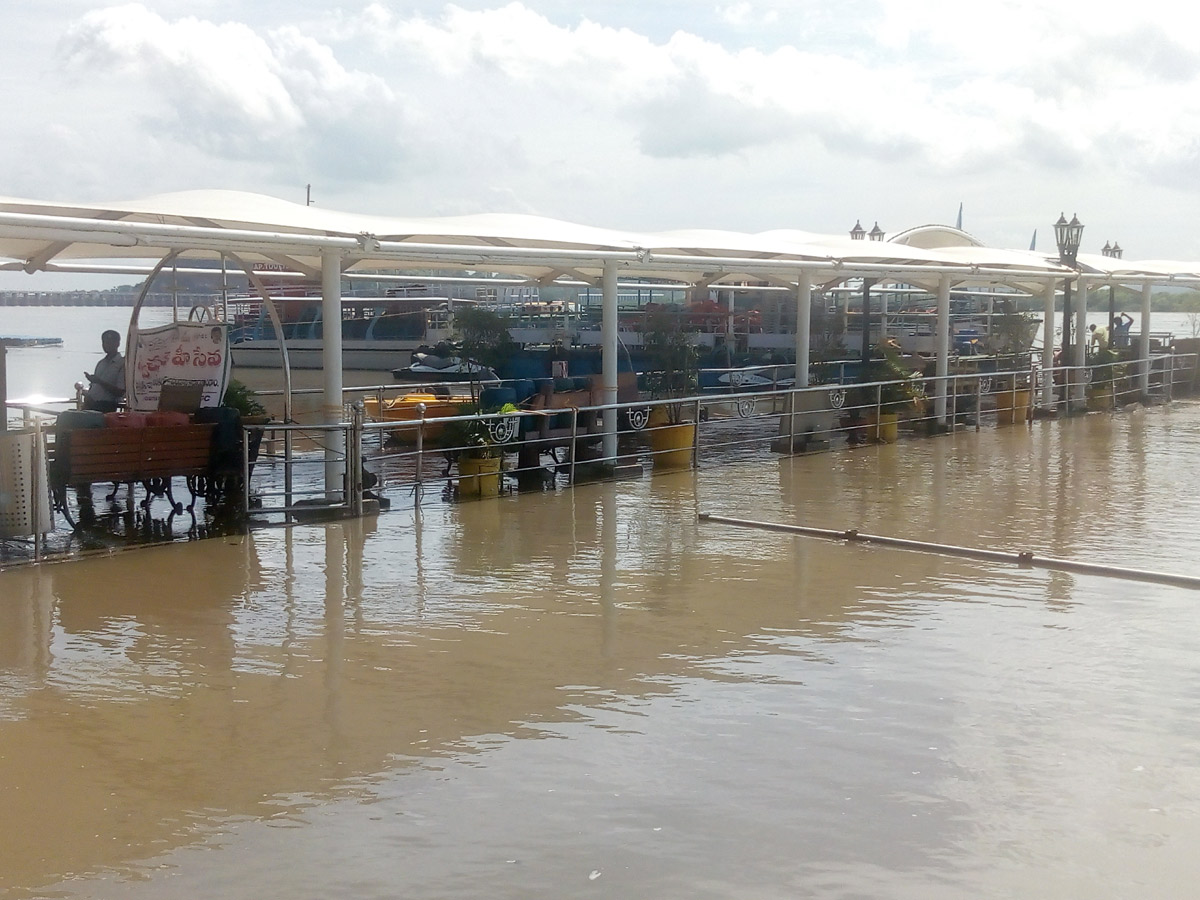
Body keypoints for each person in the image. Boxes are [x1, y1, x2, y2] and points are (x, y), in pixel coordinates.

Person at [83, 329, 125, 412]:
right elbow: (94, 386)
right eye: (104, 342)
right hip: (91, 404)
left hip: (106, 406)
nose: (106, 345)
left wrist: (99, 381)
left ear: (117, 344)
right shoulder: (100, 363)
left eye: (110, 343)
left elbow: (120, 392)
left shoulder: (122, 364)